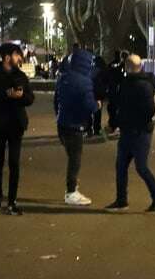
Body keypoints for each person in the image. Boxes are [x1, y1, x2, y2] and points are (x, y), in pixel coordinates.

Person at [105, 54, 155, 213]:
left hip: (138, 132)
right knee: (121, 167)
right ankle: (121, 200)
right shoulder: (134, 84)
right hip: (131, 131)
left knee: (141, 167)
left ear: (128, 68)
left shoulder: (138, 85)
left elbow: (147, 110)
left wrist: (123, 121)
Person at [0, 42, 34, 215]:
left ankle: (12, 200)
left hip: (16, 124)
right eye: (17, 55)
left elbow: (30, 98)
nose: (20, 58)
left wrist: (21, 96)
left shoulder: (20, 76)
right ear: (8, 57)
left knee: (14, 163)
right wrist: (5, 95)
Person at [55, 48, 99, 206]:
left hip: (62, 123)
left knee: (72, 157)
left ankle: (72, 188)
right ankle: (71, 191)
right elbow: (89, 105)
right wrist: (96, 106)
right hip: (75, 125)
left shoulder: (63, 78)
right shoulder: (84, 81)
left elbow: (56, 100)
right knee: (75, 159)